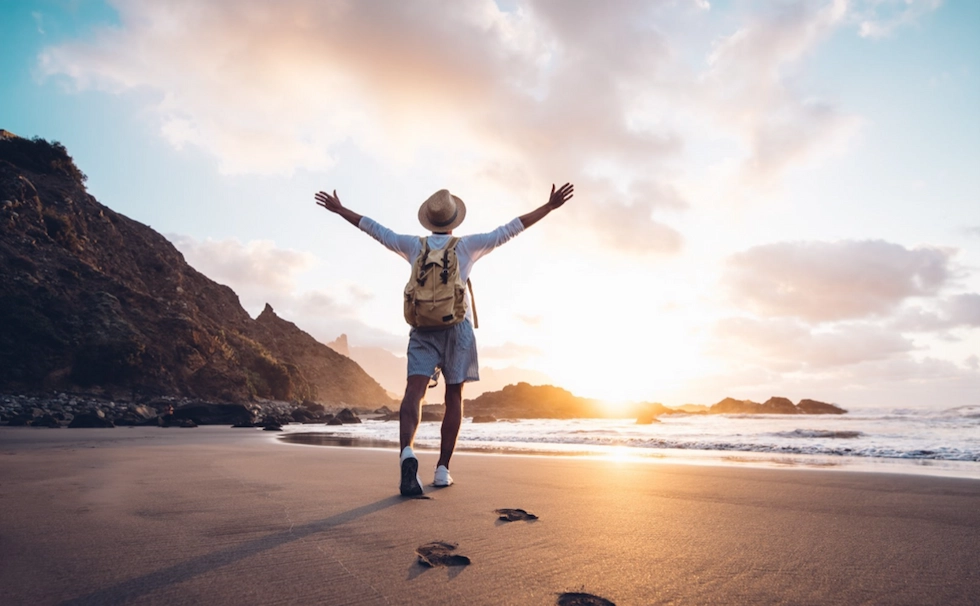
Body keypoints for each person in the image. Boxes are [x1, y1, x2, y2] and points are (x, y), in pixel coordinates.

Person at [314, 183, 574, 496]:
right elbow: (510, 229)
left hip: (423, 329)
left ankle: (407, 453)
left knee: (415, 391)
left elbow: (376, 229)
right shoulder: (467, 246)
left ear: (429, 221)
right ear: (453, 222)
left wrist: (341, 210)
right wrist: (547, 207)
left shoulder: (413, 245)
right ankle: (441, 470)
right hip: (457, 329)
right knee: (454, 396)